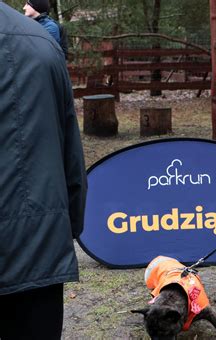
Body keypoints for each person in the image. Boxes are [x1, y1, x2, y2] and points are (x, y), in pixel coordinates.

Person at [0, 2, 87, 339]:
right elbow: (71, 151)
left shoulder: (41, 39)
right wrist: (70, 225)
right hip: (40, 243)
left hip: (38, 243)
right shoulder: (40, 41)